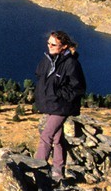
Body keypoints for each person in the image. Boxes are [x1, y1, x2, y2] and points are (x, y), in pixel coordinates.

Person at [34, 30, 86, 182]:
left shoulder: (71, 64)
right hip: (51, 104)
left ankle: (37, 170)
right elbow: (39, 74)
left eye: (53, 44)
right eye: (48, 43)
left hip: (61, 106)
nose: (49, 46)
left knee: (46, 136)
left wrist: (59, 93)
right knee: (57, 138)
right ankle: (58, 171)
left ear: (63, 46)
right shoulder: (49, 59)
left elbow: (78, 87)